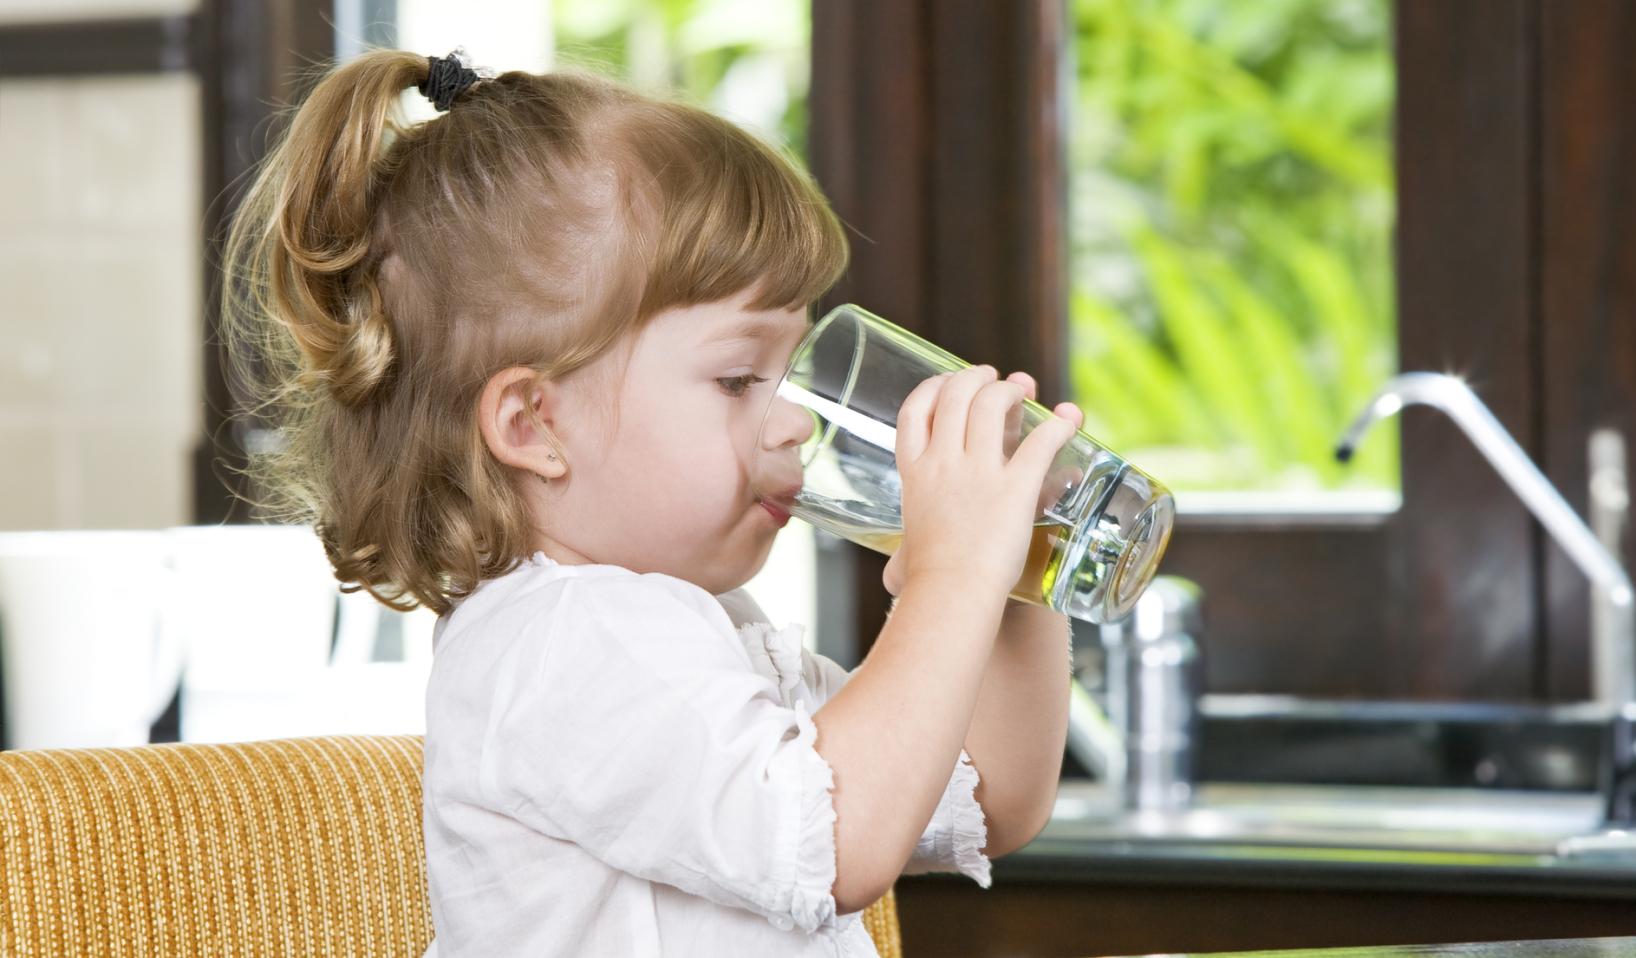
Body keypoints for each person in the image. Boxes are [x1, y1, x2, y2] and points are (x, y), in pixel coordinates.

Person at [218, 46, 1083, 957]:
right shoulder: (558, 643)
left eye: (792, 367)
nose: (796, 420)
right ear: (533, 423)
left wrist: (1018, 573)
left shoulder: (702, 623)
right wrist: (951, 575)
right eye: (738, 378)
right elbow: (835, 843)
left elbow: (991, 793)